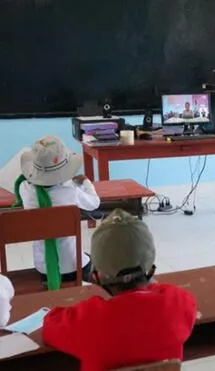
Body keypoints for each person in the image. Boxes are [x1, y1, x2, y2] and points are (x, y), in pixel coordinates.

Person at [42, 209, 197, 370]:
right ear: (149, 266)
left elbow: (49, 326)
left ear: (98, 275)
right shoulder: (178, 302)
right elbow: (166, 293)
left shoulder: (88, 320)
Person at [14, 135, 100, 290]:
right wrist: (86, 183)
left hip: (44, 269)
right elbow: (94, 203)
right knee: (92, 258)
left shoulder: (24, 190)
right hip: (76, 267)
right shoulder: (71, 191)